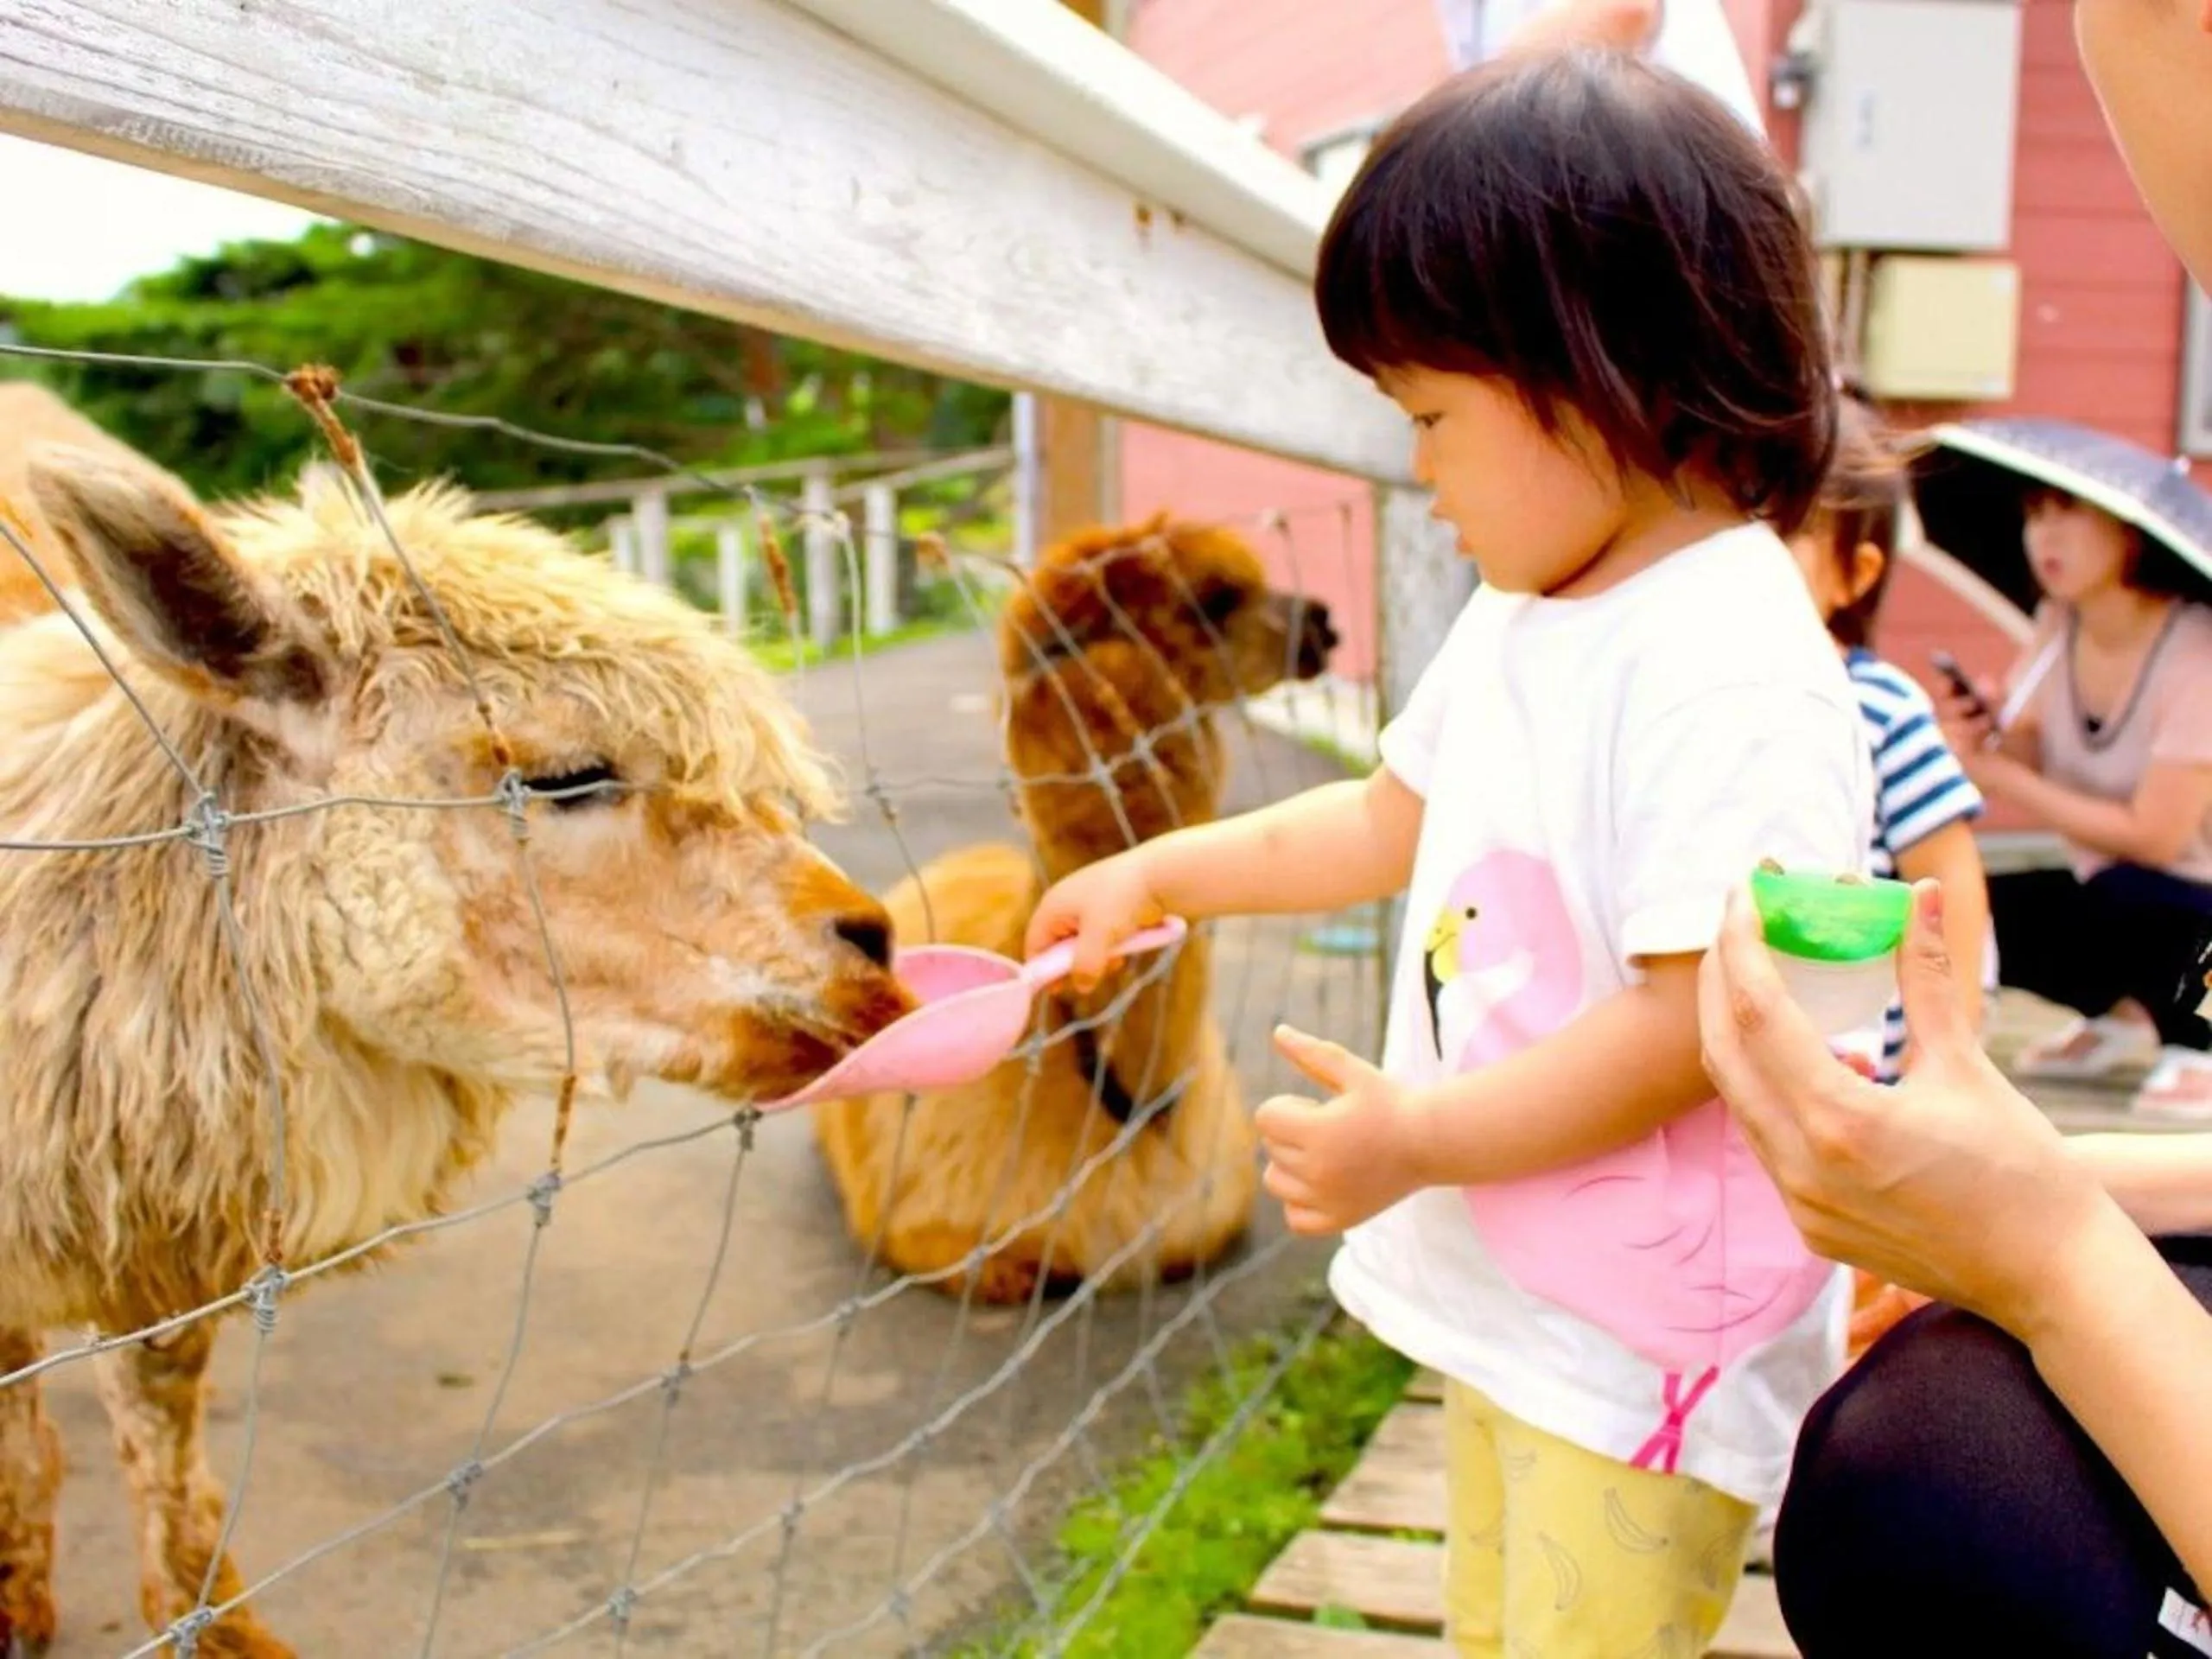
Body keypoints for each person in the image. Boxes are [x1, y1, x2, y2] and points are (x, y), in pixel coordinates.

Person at [1025, 51, 1869, 1656]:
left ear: (1595, 372)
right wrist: (1165, 871)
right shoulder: (1531, 609)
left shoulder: (1727, 656)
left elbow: (1699, 1020)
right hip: (1517, 1293)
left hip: (1638, 1331)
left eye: (1430, 416)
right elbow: (1382, 815)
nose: (1417, 476)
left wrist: (1424, 1137)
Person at [1695, 6, 2212, 1637]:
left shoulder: (2177, 650)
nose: (2048, 540)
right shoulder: (2043, 646)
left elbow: (2087, 839)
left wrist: (2045, 1236)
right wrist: (2031, 1189)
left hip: (2169, 899)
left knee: (1930, 1494)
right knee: (1910, 1467)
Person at [1932, 484, 2212, 1114]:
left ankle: (2196, 1037)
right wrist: (1985, 732)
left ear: (2130, 533)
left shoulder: (2198, 651)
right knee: (1970, 911)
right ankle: (2125, 1017)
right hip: (2113, 889)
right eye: (2034, 515)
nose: (2043, 537)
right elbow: (2026, 754)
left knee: (2134, 901)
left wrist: (2004, 777)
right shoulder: (2060, 624)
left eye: (2068, 514)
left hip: (2197, 904)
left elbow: (2156, 838)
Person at [1789, 392, 1992, 1083]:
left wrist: (1947, 1044)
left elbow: (1949, 873)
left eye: (1785, 534)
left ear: (1854, 574)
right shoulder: (1690, 701)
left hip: (1861, 1058)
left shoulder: (1876, 706)